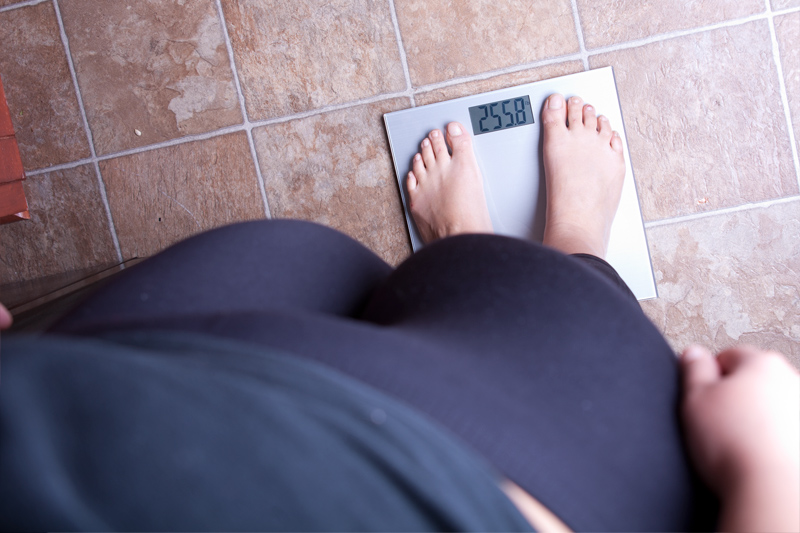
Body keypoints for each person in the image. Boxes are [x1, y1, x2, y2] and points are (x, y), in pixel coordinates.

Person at [0, 94, 797, 532]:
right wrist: (774, 474)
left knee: (319, 266)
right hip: (519, 488)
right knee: (377, 274)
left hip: (97, 410)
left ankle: (473, 251)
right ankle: (570, 243)